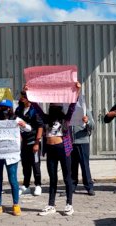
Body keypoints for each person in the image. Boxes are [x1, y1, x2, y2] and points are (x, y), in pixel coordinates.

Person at [30, 82, 80, 216]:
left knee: (67, 177)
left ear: (60, 108)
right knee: (52, 177)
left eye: (56, 106)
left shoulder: (65, 118)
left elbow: (72, 106)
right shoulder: (46, 119)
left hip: (64, 149)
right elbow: (36, 107)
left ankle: (69, 204)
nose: (54, 107)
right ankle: (51, 204)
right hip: (51, 150)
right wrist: (29, 93)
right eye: (52, 105)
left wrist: (77, 90)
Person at [0, 99, 30, 217]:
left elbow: (29, 128)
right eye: (1, 108)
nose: (3, 110)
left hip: (11, 155)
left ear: (10, 109)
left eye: (5, 108)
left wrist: (23, 125)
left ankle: (16, 205)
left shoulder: (15, 120)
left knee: (13, 180)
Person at [15, 91, 43, 196]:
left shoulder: (35, 110)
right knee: (25, 165)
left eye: (24, 96)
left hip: (33, 141)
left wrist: (37, 142)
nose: (22, 98)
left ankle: (38, 185)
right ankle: (26, 186)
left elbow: (40, 127)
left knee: (35, 164)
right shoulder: (19, 110)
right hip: (24, 142)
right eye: (21, 96)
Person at [71, 110, 95, 196]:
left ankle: (89, 187)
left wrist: (87, 121)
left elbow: (93, 126)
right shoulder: (67, 110)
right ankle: (71, 187)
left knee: (84, 165)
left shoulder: (85, 110)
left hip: (83, 142)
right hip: (70, 142)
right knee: (71, 166)